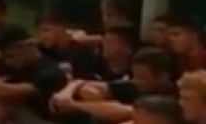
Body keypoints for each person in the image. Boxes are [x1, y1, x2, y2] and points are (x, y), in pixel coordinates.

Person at [50, 47, 178, 123]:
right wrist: (65, 95)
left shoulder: (173, 98)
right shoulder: (135, 86)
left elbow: (126, 112)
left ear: (163, 76)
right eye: (134, 76)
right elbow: (81, 82)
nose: (135, 80)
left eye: (142, 77)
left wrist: (74, 105)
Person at [35, 11, 104, 80]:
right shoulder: (40, 52)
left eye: (46, 30)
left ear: (61, 28)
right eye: (39, 32)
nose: (42, 36)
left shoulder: (83, 53)